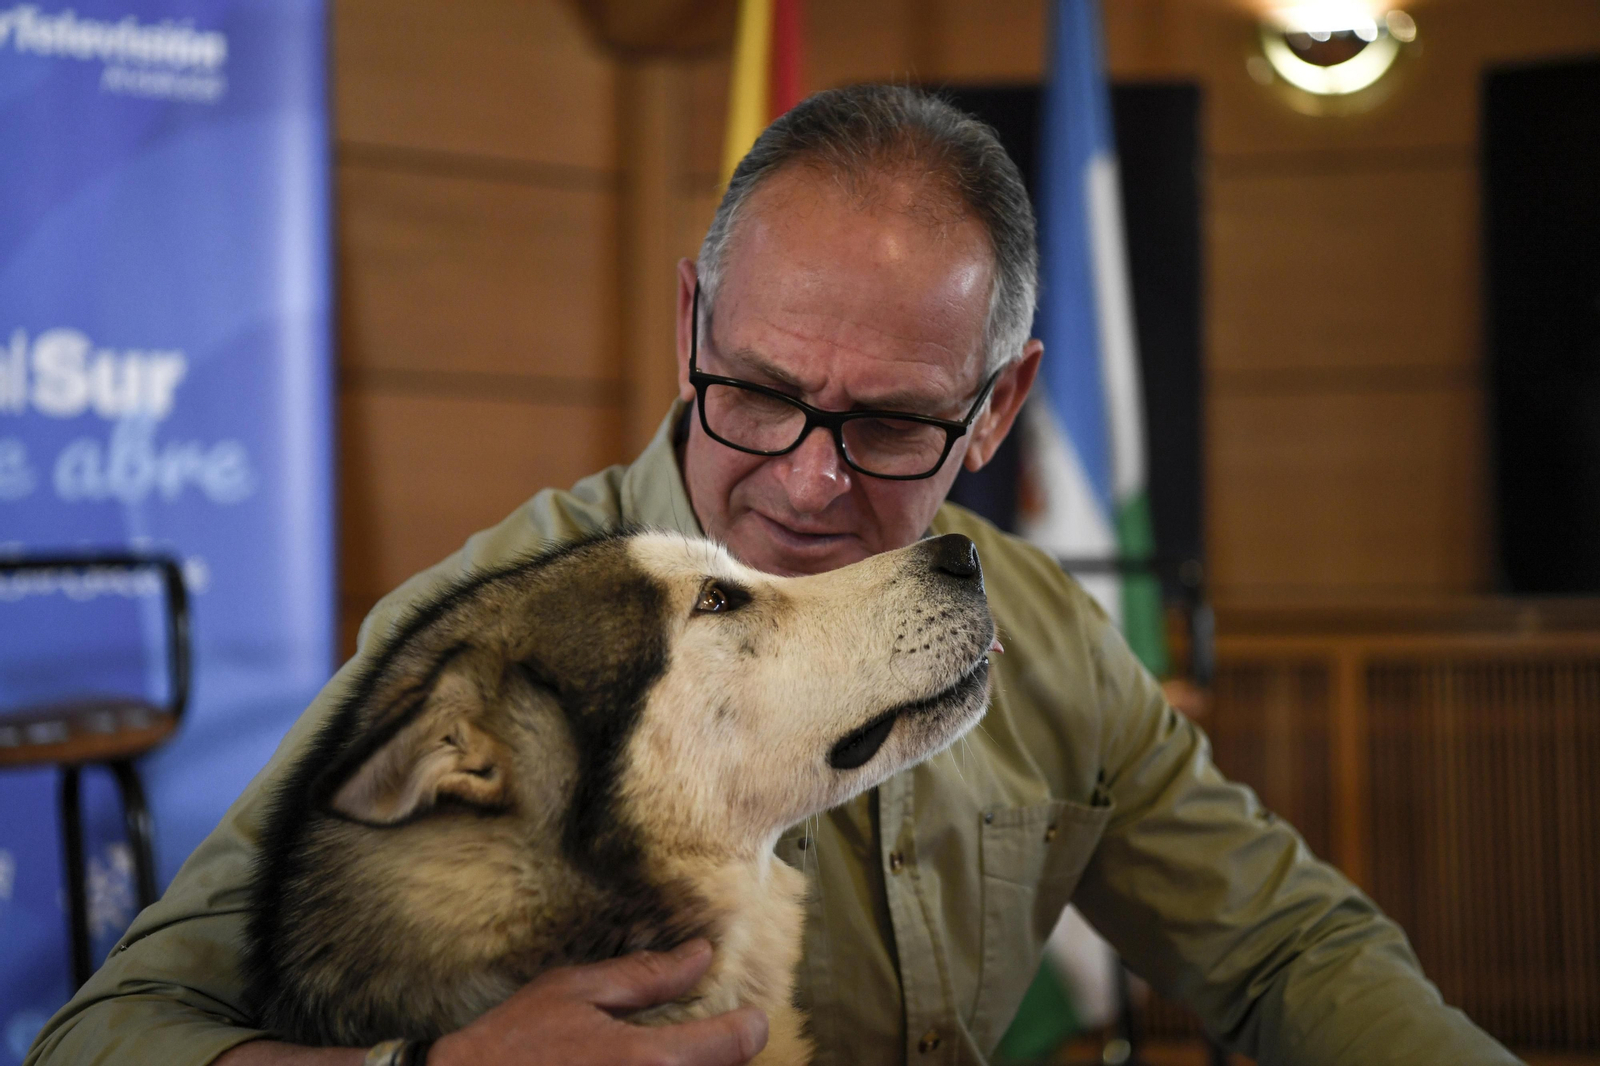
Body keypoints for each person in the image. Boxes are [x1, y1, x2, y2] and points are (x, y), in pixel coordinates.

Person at [26, 85, 1520, 1066]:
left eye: (885, 421)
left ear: (998, 408)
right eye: (756, 391)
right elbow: (116, 1032)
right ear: (690, 324)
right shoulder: (493, 639)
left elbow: (1283, 946)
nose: (808, 481)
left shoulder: (1041, 629)